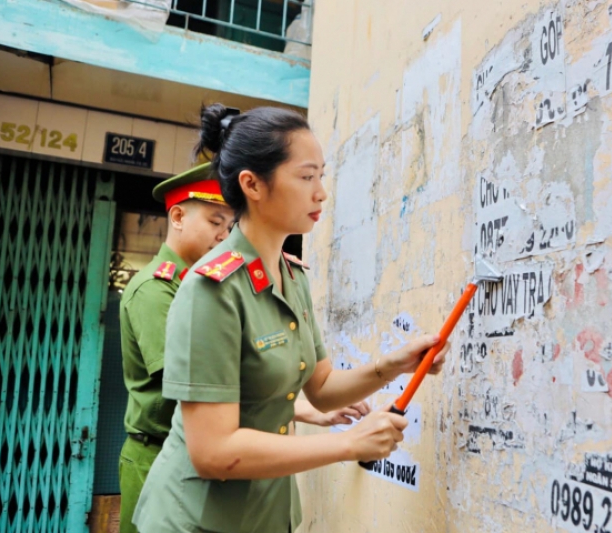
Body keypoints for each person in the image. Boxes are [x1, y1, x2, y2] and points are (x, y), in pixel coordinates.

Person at [133, 105, 449, 533]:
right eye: (306, 177)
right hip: (198, 520)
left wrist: (395, 363)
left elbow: (320, 388)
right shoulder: (211, 290)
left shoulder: (291, 276)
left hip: (266, 514)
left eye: (322, 176)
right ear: (252, 184)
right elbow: (213, 451)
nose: (321, 192)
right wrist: (347, 444)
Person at [119, 163, 368, 533]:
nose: (223, 234)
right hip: (166, 454)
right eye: (214, 222)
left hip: (244, 472)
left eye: (227, 225)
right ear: (178, 217)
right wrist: (312, 417)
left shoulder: (262, 278)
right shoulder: (164, 291)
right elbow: (199, 392)